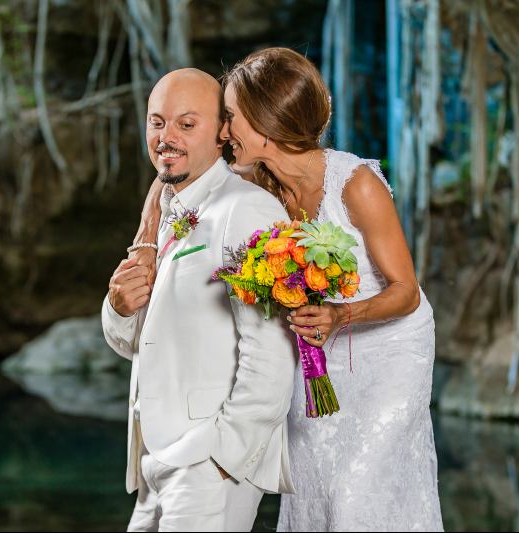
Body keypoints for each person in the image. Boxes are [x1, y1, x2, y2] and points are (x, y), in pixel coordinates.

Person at [130, 48, 444, 532]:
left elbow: (406, 292)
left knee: (356, 492)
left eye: (230, 118)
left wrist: (342, 315)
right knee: (317, 481)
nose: (222, 131)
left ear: (265, 124)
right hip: (317, 353)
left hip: (389, 353)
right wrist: (148, 242)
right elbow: (167, 179)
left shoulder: (356, 185)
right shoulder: (256, 179)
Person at [101, 67, 297, 532]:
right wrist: (119, 307)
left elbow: (272, 351)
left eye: (186, 125)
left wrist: (225, 455)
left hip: (207, 463)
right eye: (157, 122)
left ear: (222, 133)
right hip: (153, 458)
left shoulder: (247, 208)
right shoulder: (169, 210)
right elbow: (132, 341)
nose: (166, 137)